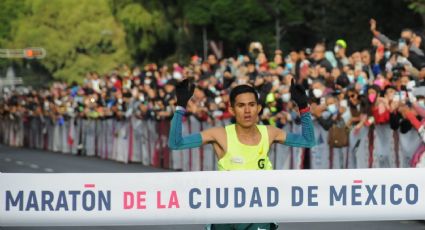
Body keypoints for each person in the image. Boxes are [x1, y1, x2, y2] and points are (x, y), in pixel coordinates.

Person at [168, 78, 315, 230]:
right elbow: (176, 143)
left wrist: (303, 107)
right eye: (241, 105)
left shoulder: (270, 133)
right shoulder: (219, 134)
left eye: (251, 105)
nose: (247, 111)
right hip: (225, 216)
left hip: (259, 214)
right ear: (231, 109)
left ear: (258, 108)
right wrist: (180, 107)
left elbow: (308, 141)